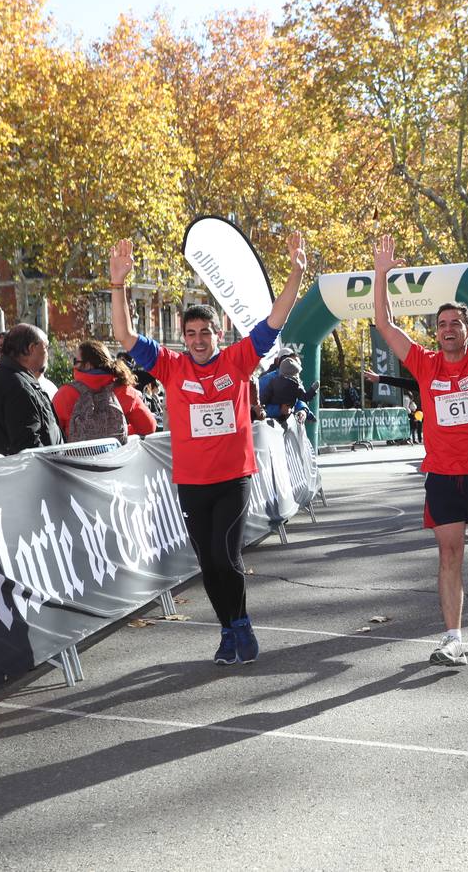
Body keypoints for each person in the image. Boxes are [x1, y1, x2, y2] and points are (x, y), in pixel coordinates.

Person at [111, 234, 306, 666]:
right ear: (183, 337)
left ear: (219, 334)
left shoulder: (237, 359)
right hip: (191, 483)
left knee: (225, 554)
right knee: (208, 564)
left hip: (233, 478)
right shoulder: (170, 365)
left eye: (206, 332)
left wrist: (295, 272)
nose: (198, 340)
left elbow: (274, 320)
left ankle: (241, 625)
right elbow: (124, 334)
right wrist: (119, 285)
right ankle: (228, 628)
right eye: (191, 333)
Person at [372, 228, 468, 667]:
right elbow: (384, 324)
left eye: (456, 323)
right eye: (442, 324)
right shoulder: (424, 363)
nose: (448, 329)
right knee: (449, 551)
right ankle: (452, 637)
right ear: (435, 334)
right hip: (440, 474)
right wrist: (381, 275)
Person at [0, 323, 63, 455]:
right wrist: (53, 467)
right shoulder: (16, 385)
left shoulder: (8, 377)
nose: (47, 353)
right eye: (45, 347)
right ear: (31, 348)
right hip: (34, 472)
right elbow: (27, 445)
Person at [52, 339, 158, 441]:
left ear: (88, 365)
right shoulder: (124, 390)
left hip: (76, 458)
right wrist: (119, 435)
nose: (73, 365)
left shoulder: (65, 394)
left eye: (76, 361)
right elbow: (149, 427)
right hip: (115, 457)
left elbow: (52, 435)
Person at [262, 355, 318, 423]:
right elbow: (259, 405)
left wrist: (304, 411)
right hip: (269, 425)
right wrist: (279, 409)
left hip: (281, 423)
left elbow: (299, 401)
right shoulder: (266, 380)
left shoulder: (272, 381)